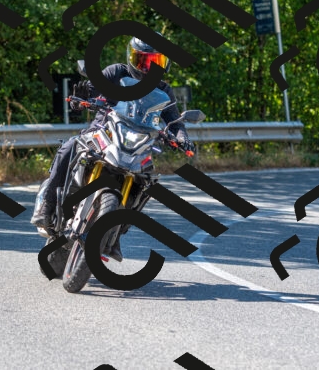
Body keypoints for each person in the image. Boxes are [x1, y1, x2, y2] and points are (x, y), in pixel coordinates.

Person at [30, 33, 195, 262]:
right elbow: (92, 87)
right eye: (144, 61)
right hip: (103, 130)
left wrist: (182, 137)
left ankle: (115, 234)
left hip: (139, 142)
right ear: (132, 57)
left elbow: (174, 121)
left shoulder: (164, 91)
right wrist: (82, 96)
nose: (149, 68)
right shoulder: (116, 72)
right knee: (70, 146)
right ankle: (47, 204)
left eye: (155, 62)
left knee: (146, 181)